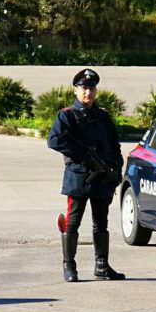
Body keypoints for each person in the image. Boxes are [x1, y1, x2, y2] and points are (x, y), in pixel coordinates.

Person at [47, 68, 125, 282]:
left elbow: (114, 145)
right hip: (79, 176)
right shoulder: (67, 115)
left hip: (102, 178)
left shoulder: (103, 116)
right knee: (73, 222)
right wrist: (84, 156)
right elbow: (54, 140)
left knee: (101, 223)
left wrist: (116, 169)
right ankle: (69, 266)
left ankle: (102, 265)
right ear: (76, 90)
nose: (87, 93)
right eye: (83, 88)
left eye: (91, 88)